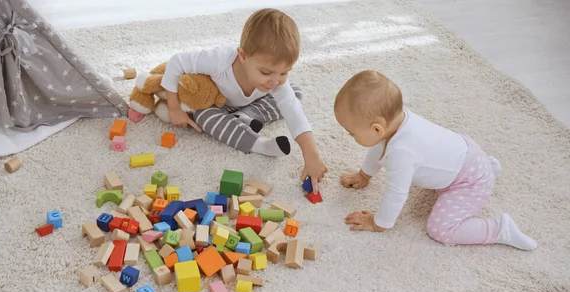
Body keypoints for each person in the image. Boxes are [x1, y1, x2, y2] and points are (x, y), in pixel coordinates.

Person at [336, 70, 536, 250]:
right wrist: (364, 174)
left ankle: (500, 229)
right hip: (466, 154)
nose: (349, 136)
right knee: (432, 165)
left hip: (468, 183)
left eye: (352, 133)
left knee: (440, 229)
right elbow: (378, 147)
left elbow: (396, 193)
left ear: (377, 128)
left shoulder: (402, 153)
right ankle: (487, 166)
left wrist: (378, 222)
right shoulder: (398, 121)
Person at [160, 8, 327, 192]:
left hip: (253, 105)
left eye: (284, 72)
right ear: (242, 56)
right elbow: (176, 62)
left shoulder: (274, 81)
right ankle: (259, 144)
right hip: (219, 104)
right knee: (202, 115)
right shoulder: (218, 60)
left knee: (294, 93)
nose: (275, 80)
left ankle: (245, 116)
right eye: (266, 72)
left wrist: (311, 155)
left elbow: (293, 111)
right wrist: (174, 107)